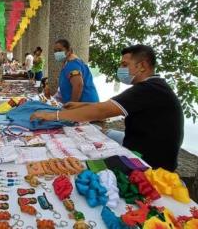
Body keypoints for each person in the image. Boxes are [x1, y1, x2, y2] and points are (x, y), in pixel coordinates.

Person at [31, 45, 184, 171]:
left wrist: (53, 116)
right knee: (101, 132)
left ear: (142, 66)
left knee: (90, 159)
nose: (120, 68)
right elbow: (109, 106)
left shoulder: (149, 89)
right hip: (140, 140)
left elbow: (103, 111)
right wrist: (81, 105)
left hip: (151, 159)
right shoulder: (154, 86)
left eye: (125, 65)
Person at [54, 39, 99, 103]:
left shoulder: (72, 64)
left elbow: (78, 85)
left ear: (68, 51)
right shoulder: (72, 63)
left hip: (85, 104)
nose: (57, 53)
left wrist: (72, 105)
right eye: (55, 51)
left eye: (60, 50)